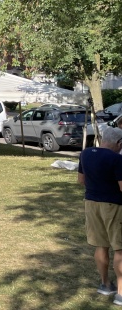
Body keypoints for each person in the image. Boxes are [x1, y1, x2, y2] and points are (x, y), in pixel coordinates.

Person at [78, 126, 122, 301]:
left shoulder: (85, 153)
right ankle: (120, 293)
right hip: (113, 206)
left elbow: (81, 181)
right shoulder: (117, 159)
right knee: (119, 248)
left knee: (101, 245)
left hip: (91, 203)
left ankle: (105, 284)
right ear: (119, 143)